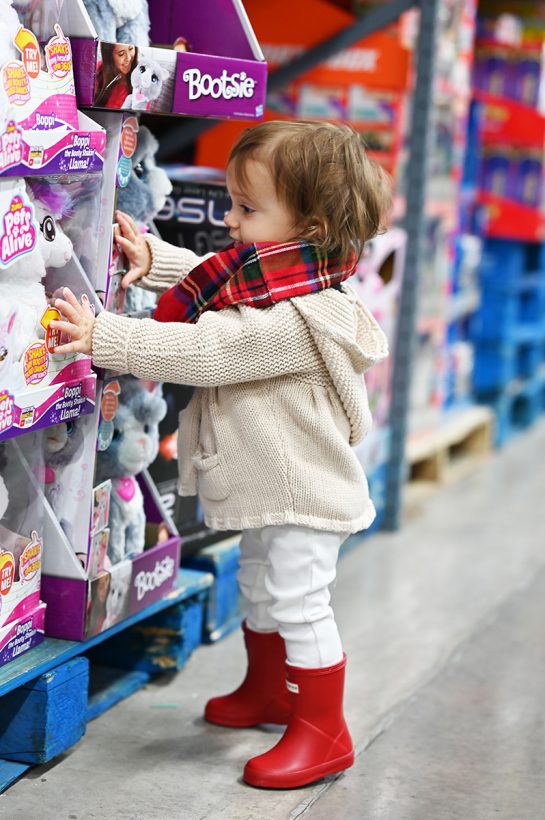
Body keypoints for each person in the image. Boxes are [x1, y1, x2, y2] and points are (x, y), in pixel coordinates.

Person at [51, 120, 390, 790]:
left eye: (246, 209)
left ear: (310, 225)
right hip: (275, 486)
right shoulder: (276, 276)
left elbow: (209, 350)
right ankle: (267, 691)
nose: (231, 221)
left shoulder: (298, 316)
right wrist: (154, 258)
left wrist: (105, 336)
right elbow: (219, 276)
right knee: (261, 590)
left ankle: (325, 731)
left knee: (297, 602)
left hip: (305, 493)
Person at [94, 42, 138, 108]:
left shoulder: (141, 78)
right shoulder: (97, 70)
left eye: (131, 49)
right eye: (121, 54)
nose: (128, 58)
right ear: (109, 56)